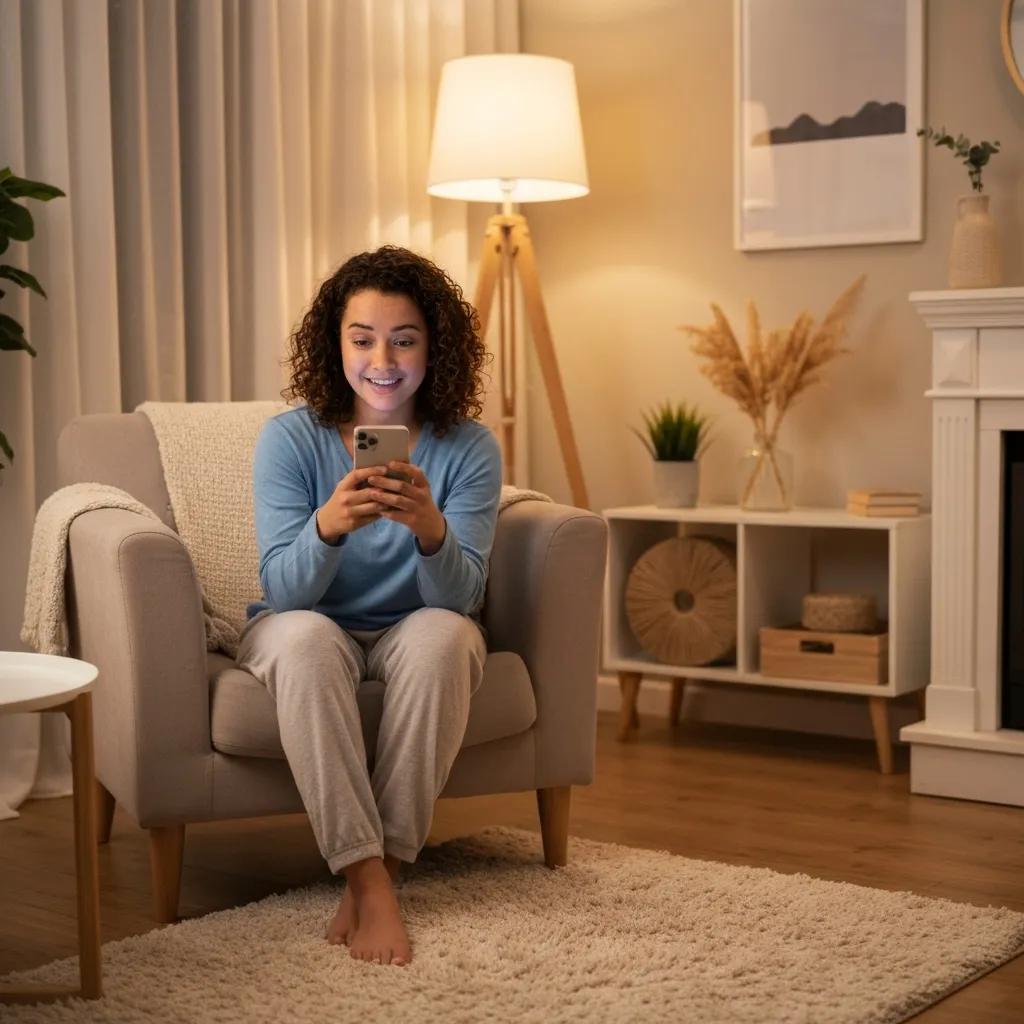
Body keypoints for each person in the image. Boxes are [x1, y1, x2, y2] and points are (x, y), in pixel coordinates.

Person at [235, 245, 501, 967]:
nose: (383, 359)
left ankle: (382, 866)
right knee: (308, 642)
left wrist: (430, 528)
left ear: (432, 348)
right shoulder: (288, 440)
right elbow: (286, 596)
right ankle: (371, 877)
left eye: (404, 339)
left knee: (446, 637)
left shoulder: (469, 447)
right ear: (337, 345)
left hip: (414, 626)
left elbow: (461, 598)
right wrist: (327, 525)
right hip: (303, 625)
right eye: (363, 339)